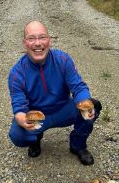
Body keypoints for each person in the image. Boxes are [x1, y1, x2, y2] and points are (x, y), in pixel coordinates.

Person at [7, 20, 102, 165]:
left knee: (92, 106)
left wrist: (85, 102)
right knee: (17, 135)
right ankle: (35, 140)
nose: (38, 43)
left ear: (49, 40)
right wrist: (21, 119)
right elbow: (19, 106)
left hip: (63, 109)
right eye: (31, 38)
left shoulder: (63, 59)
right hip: (37, 116)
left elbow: (78, 87)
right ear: (25, 43)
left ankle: (78, 145)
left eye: (42, 37)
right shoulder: (16, 73)